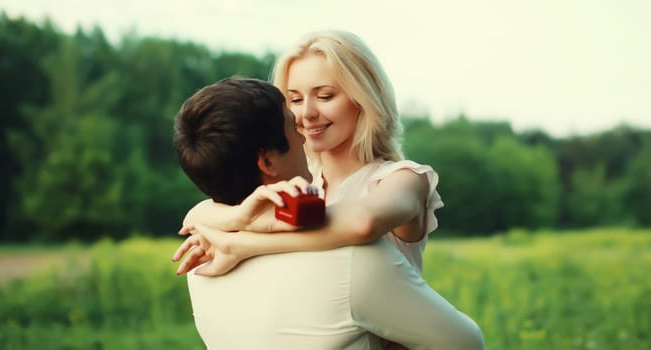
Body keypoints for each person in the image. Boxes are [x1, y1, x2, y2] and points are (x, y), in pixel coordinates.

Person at [173, 76, 484, 349]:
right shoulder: (355, 262)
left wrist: (239, 228)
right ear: (268, 163)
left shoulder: (202, 258)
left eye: (324, 95)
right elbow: (465, 343)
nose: (303, 131)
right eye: (291, 121)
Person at [177, 30, 443, 276]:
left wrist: (243, 244)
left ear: (364, 99)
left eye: (325, 96)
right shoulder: (299, 181)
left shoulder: (404, 179)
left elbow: (363, 223)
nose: (306, 113)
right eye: (294, 99)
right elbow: (194, 217)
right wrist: (240, 217)